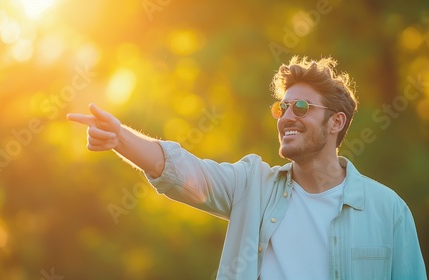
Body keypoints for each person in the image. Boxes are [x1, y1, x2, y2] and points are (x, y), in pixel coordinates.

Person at [67, 56, 427, 279]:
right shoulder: (251, 186)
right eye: (282, 108)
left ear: (336, 123)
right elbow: (182, 171)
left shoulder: (388, 211)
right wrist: (121, 138)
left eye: (300, 107)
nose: (286, 116)